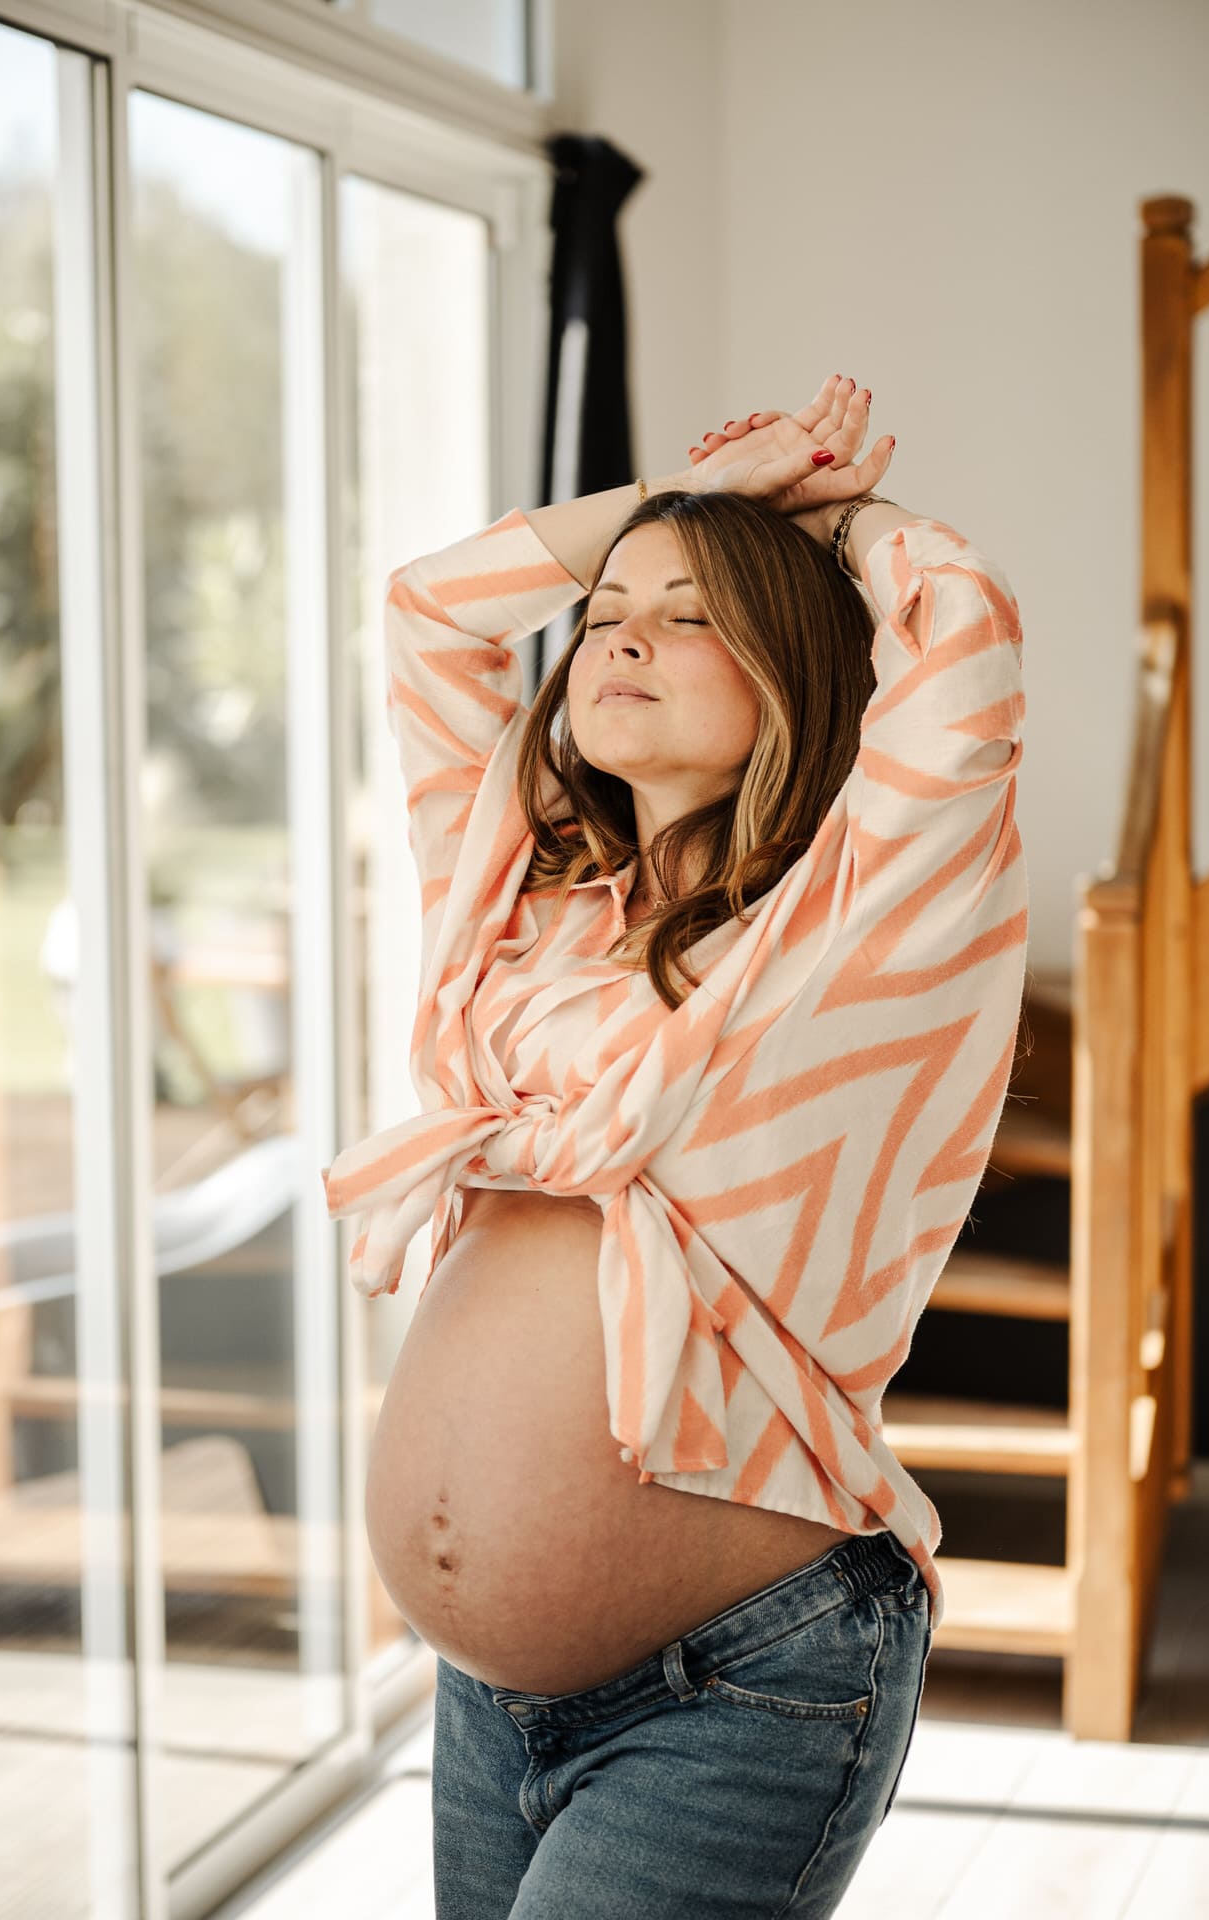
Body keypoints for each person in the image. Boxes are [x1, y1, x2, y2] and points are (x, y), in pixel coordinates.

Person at [322, 372, 1028, 1916]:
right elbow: (431, 611)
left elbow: (964, 632)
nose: (622, 629)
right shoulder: (528, 902)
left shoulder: (858, 935)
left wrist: (824, 514)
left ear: (800, 667)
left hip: (740, 1685)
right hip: (489, 1700)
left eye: (692, 615)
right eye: (609, 608)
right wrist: (674, 509)